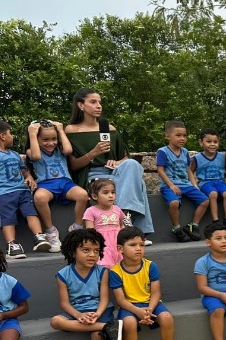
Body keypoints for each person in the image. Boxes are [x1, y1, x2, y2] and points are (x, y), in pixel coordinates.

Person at [64, 88, 154, 239]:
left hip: (114, 172)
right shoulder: (72, 130)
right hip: (93, 175)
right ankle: (131, 231)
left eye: (100, 102)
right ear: (81, 105)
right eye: (93, 102)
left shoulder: (109, 128)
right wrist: (94, 153)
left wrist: (118, 162)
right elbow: (73, 165)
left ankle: (123, 217)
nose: (98, 106)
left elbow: (125, 157)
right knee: (138, 184)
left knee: (132, 164)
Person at [49, 229, 123, 340]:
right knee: (55, 321)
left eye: (96, 251)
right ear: (72, 252)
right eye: (86, 250)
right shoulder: (62, 275)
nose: (92, 255)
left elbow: (104, 298)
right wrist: (79, 315)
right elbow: (64, 303)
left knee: (97, 336)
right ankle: (108, 327)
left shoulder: (103, 271)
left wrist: (96, 314)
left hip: (99, 311)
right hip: (76, 312)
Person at [109, 227, 175, 340]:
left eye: (141, 244)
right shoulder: (115, 271)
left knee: (166, 318)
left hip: (151, 304)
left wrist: (149, 309)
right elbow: (121, 300)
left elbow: (156, 293)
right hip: (130, 307)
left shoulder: (150, 266)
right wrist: (138, 312)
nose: (138, 249)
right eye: (132, 245)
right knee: (129, 323)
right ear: (120, 249)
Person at [27, 119, 89, 249]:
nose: (51, 143)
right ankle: (50, 231)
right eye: (45, 140)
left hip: (65, 182)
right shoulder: (31, 151)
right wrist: (32, 133)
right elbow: (37, 156)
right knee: (40, 197)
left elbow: (68, 150)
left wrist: (61, 130)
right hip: (46, 184)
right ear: (36, 139)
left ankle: (77, 227)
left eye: (53, 139)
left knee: (83, 195)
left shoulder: (60, 150)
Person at [0, 120, 52, 258]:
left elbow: (24, 171)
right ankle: (12, 244)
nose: (13, 137)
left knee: (31, 213)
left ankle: (39, 237)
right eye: (10, 133)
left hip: (22, 191)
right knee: (8, 219)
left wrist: (29, 177)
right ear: (2, 136)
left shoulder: (15, 154)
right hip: (4, 193)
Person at [156, 120, 210, 242]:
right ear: (168, 136)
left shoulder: (185, 152)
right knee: (174, 203)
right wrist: (171, 186)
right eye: (178, 135)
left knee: (205, 201)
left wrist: (194, 185)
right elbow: (160, 171)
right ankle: (177, 227)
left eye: (184, 136)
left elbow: (188, 170)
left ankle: (193, 225)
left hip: (186, 185)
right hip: (169, 185)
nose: (182, 138)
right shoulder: (162, 152)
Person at [191, 128, 226, 230]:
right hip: (205, 183)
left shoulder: (222, 157)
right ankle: (216, 221)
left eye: (215, 142)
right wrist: (194, 185)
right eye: (209, 142)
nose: (212, 144)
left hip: (220, 181)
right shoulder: (197, 158)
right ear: (201, 142)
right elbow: (190, 172)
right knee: (213, 194)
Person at [83, 178, 127, 269]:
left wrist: (125, 238)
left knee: (121, 265)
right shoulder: (90, 211)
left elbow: (121, 225)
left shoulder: (117, 209)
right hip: (103, 244)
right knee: (105, 266)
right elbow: (90, 231)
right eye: (106, 193)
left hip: (117, 243)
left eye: (113, 192)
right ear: (95, 196)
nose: (111, 195)